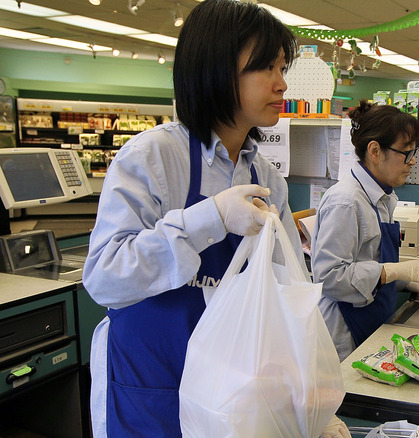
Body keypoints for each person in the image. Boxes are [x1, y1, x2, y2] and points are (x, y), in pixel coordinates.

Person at [83, 1, 348, 436]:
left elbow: (288, 297)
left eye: (283, 68)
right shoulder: (151, 158)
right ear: (216, 70)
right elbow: (104, 276)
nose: (283, 84)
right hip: (153, 388)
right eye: (267, 68)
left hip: (231, 400)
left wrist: (311, 396)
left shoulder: (267, 179)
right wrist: (208, 219)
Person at [312, 100, 419, 361]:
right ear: (375, 151)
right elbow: (329, 278)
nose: (413, 161)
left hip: (373, 321)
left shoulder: (382, 197)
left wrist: (404, 281)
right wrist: (396, 270)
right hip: (344, 333)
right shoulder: (346, 202)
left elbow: (369, 264)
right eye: (406, 152)